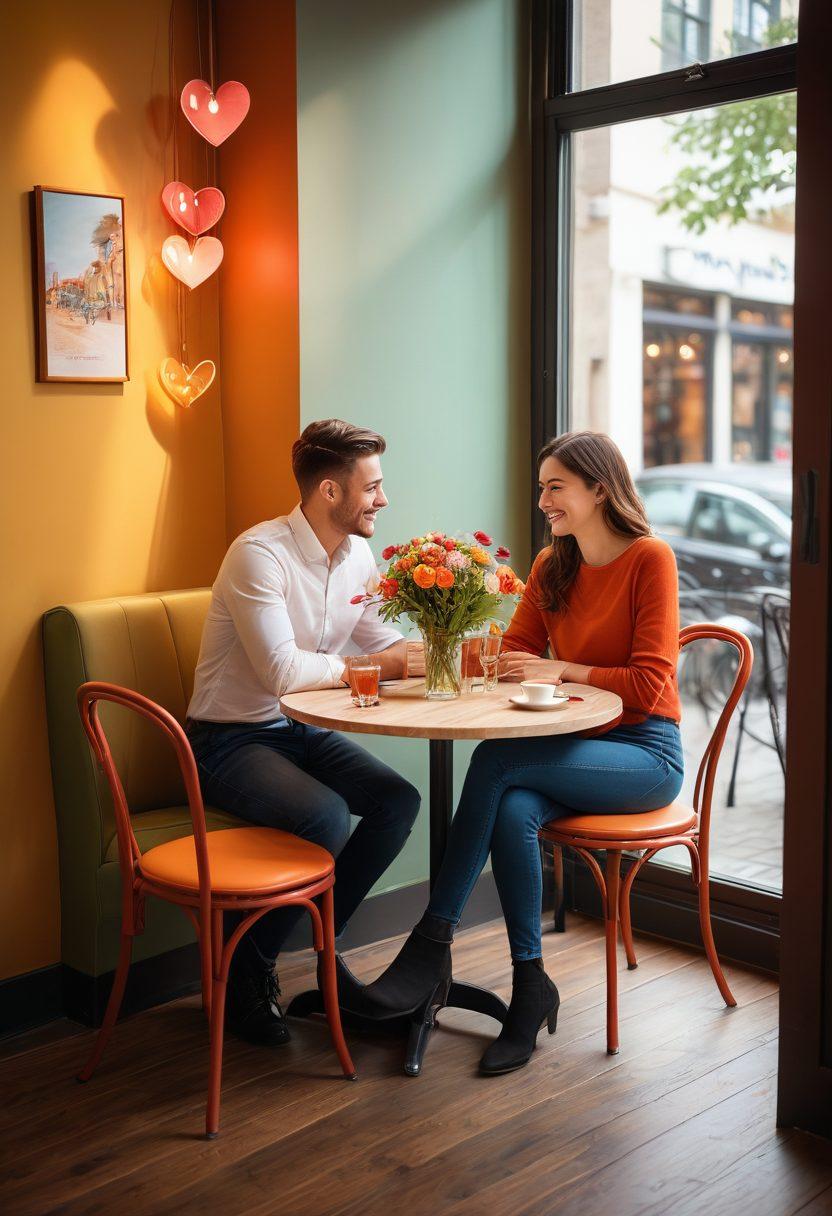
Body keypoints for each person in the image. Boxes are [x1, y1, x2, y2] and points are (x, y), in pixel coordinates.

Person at [363, 431, 684, 1075]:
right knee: (512, 811)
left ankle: (432, 937)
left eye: (555, 486)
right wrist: (454, 636)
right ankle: (529, 987)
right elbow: (514, 655)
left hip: (645, 755)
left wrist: (561, 667)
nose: (543, 500)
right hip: (571, 746)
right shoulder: (550, 566)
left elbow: (650, 686)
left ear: (600, 489)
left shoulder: (650, 559)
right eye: (541, 487)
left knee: (495, 763)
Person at [186, 419, 423, 1046]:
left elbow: (383, 642)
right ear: (329, 492)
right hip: (227, 737)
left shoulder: (359, 556)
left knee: (398, 801)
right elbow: (282, 670)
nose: (383, 500)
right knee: (325, 817)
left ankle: (316, 947)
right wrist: (380, 668)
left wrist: (446, 648)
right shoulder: (258, 555)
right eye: (372, 487)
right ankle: (249, 969)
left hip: (298, 728)